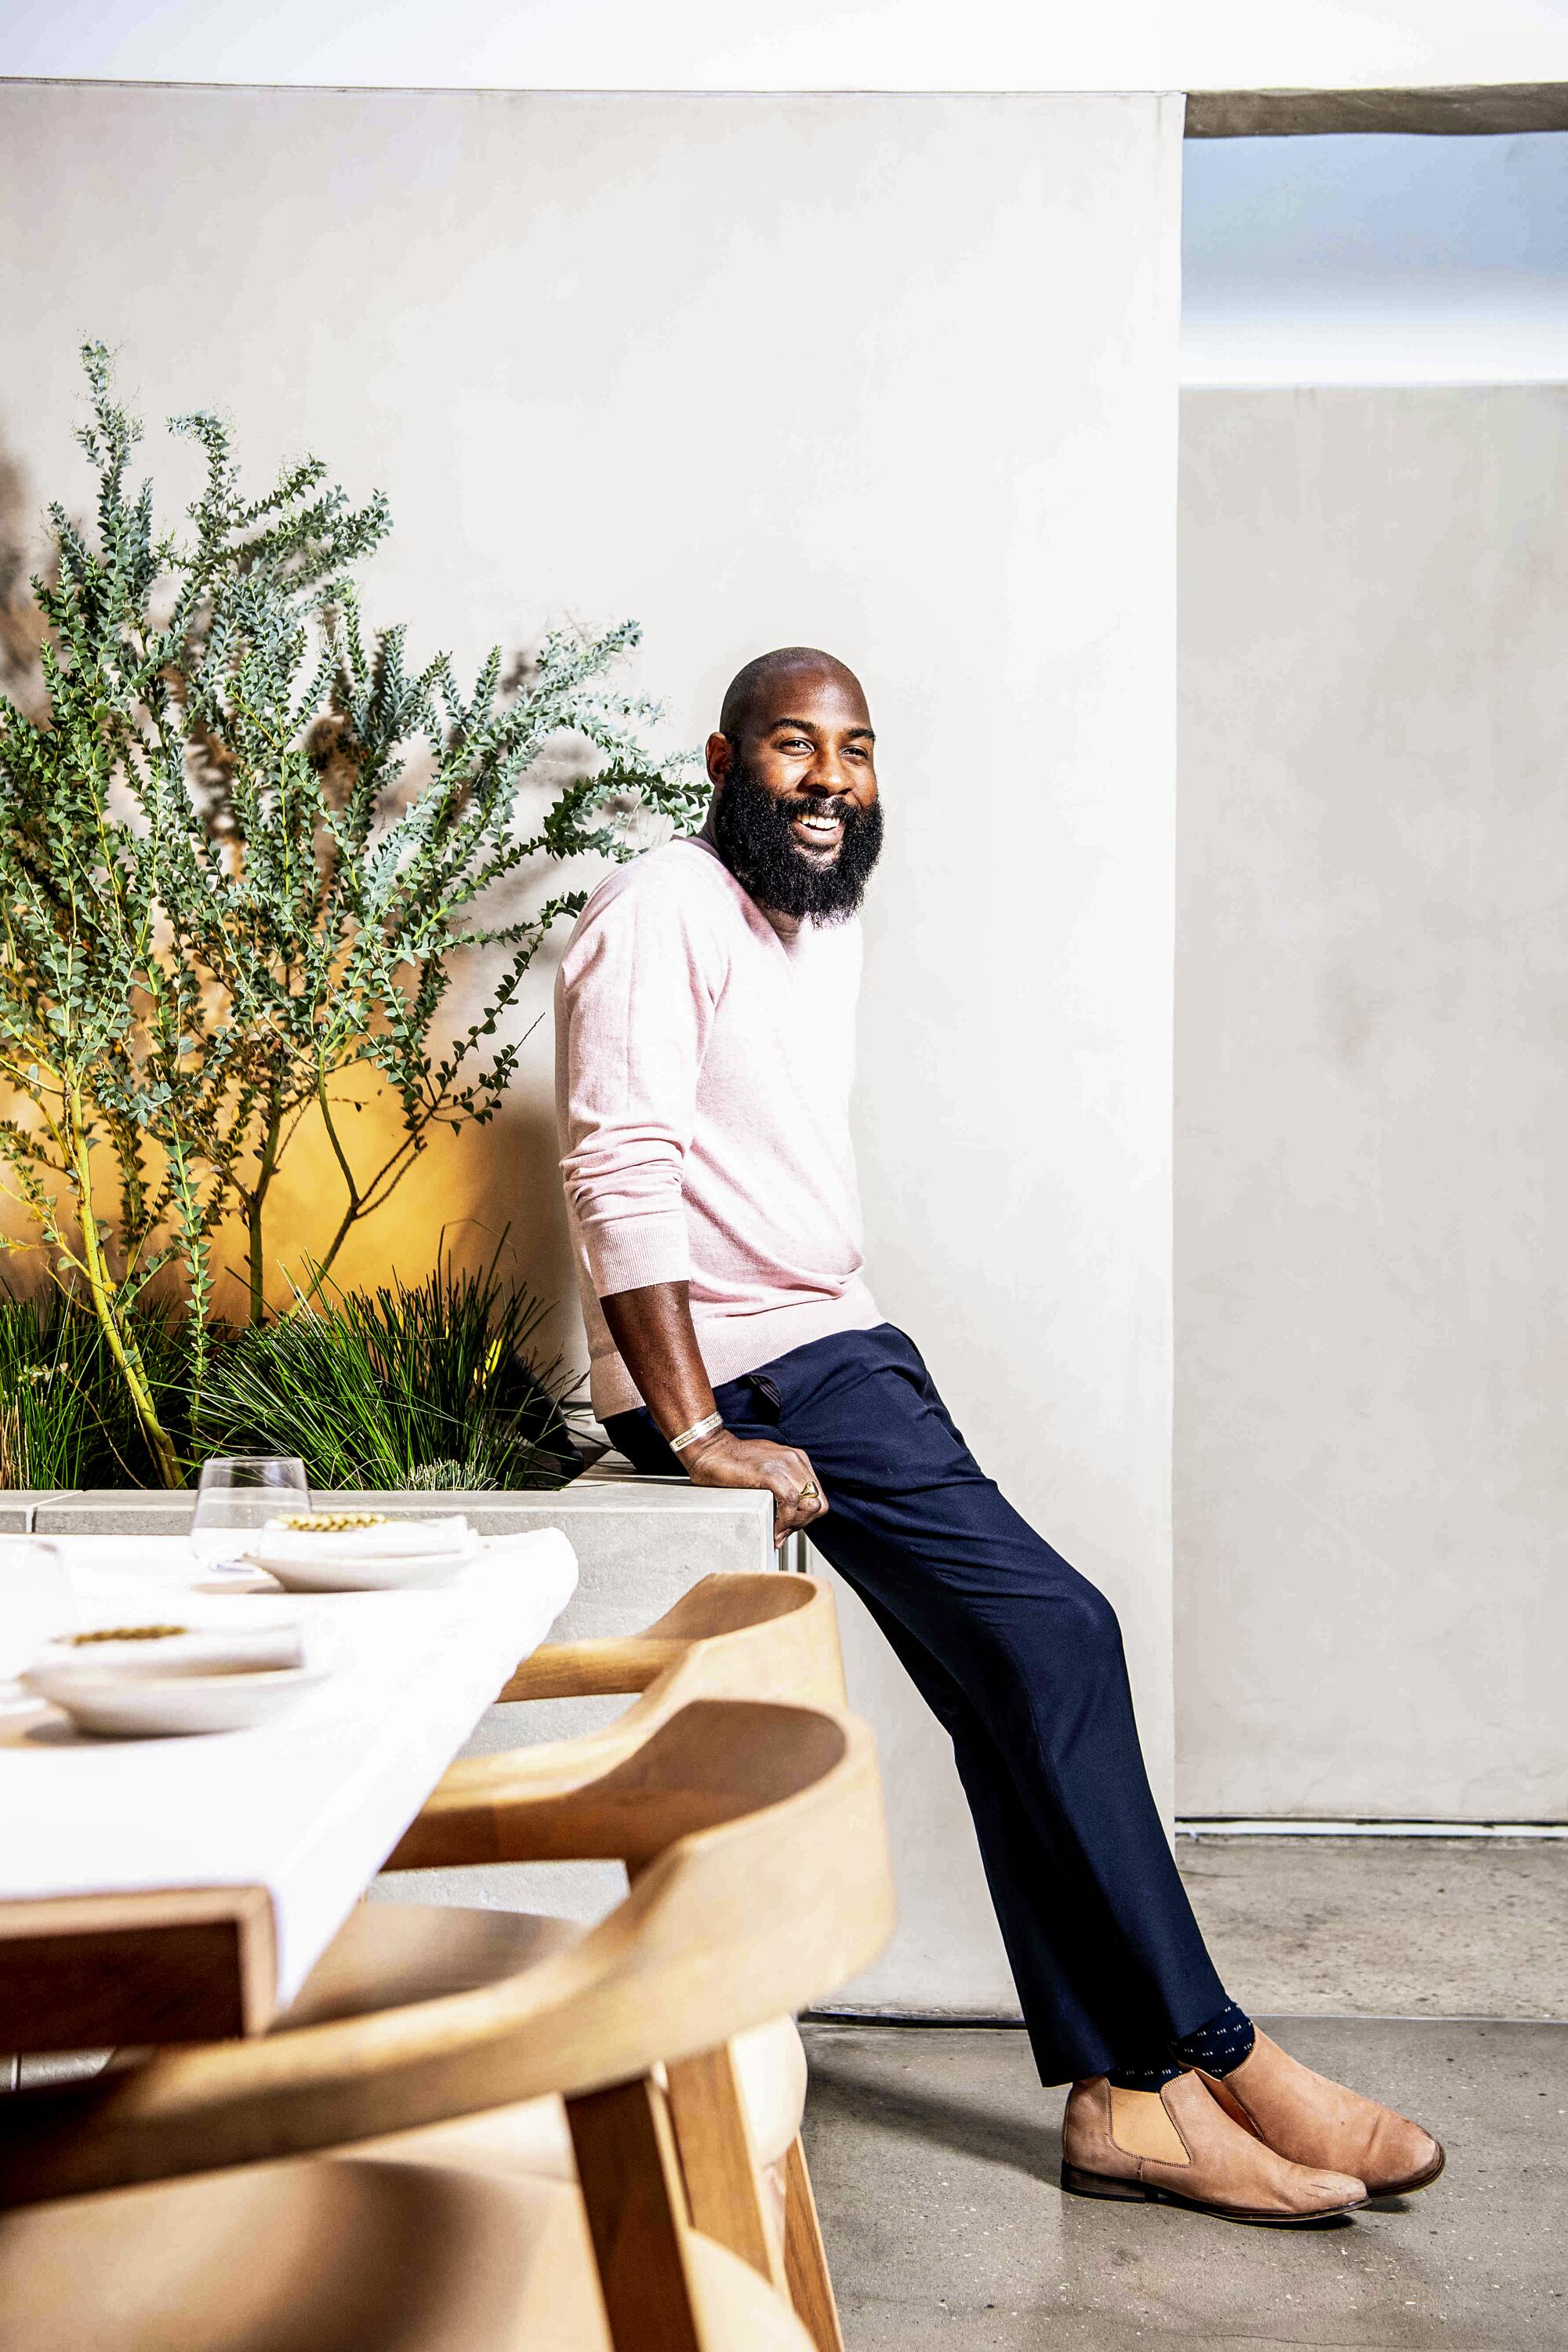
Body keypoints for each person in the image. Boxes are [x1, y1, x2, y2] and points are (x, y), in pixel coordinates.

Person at [554, 645, 1444, 2224]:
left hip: (835, 1348)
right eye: (790, 747)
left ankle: (1121, 2106)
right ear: (718, 757)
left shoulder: (801, 919)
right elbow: (616, 1165)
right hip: (759, 1375)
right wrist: (691, 1430)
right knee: (1064, 1639)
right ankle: (1219, 2058)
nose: (829, 779)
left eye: (856, 750)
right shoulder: (662, 909)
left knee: (1009, 1691)